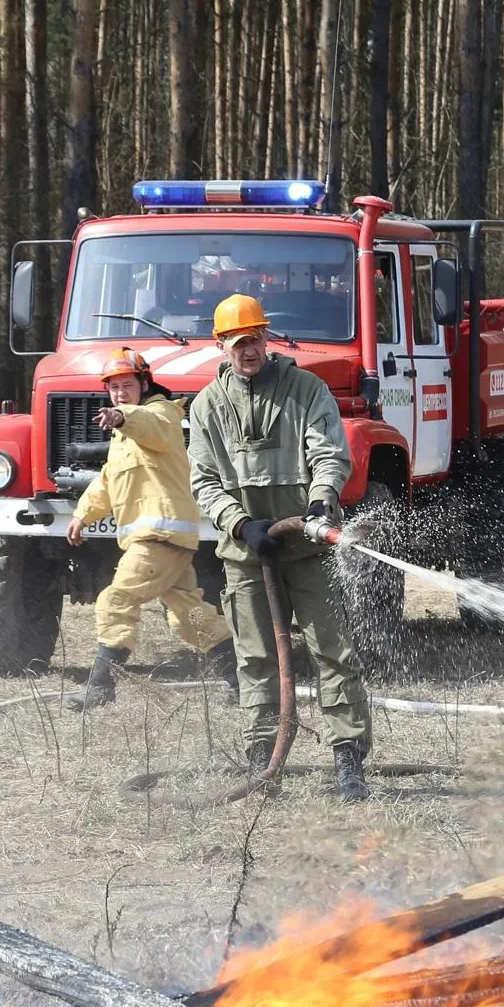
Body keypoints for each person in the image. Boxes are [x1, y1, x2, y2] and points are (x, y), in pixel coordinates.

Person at [187, 294, 372, 801]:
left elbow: (329, 453)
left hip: (305, 548)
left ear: (267, 338)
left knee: (333, 649)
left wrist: (319, 504)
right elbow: (203, 481)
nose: (248, 350)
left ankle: (348, 760)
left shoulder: (305, 389)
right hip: (247, 555)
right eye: (237, 341)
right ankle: (262, 758)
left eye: (255, 339)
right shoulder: (206, 406)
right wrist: (241, 524)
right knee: (255, 658)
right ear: (221, 344)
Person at [65, 348, 238, 710]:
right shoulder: (123, 437)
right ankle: (243, 681)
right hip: (166, 541)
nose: (120, 393)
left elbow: (150, 427)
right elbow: (108, 482)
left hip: (158, 539)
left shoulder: (162, 414)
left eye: (127, 385)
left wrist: (121, 416)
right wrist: (83, 515)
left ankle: (101, 686)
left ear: (145, 384)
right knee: (191, 619)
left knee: (116, 600)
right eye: (113, 388)